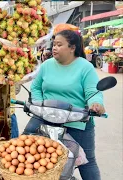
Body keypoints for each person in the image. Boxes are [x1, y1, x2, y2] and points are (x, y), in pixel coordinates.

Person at [24, 30, 104, 180]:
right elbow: (35, 87)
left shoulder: (85, 67)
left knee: (87, 161)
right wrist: (39, 105)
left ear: (72, 47)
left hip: (77, 120)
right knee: (24, 147)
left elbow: (93, 92)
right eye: (53, 44)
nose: (54, 48)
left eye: (59, 45)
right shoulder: (46, 65)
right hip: (45, 117)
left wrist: (96, 104)